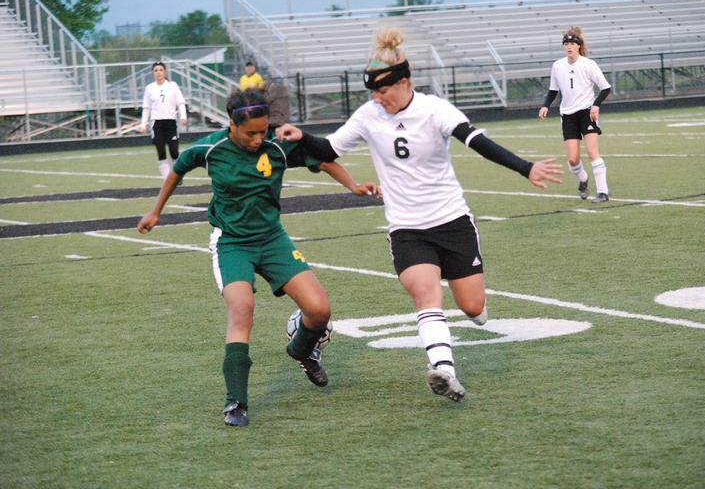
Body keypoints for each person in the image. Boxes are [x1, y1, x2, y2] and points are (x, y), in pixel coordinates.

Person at [277, 28, 563, 402]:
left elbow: (477, 142)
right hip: (407, 229)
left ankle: (472, 315)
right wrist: (302, 137)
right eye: (372, 93)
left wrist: (526, 168)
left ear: (404, 82)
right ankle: (445, 372)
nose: (377, 99)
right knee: (426, 295)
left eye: (383, 91)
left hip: (453, 221)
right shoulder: (368, 115)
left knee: (473, 307)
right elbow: (329, 149)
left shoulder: (434, 109)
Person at [137, 88, 379, 427]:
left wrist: (352, 186)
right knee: (242, 309)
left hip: (272, 239)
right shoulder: (211, 148)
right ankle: (235, 402)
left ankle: (301, 350)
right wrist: (155, 211)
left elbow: (323, 161)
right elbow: (178, 170)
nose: (257, 139)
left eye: (262, 131)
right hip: (232, 242)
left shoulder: (276, 145)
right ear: (232, 126)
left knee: (319, 310)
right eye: (250, 133)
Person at [538, 26, 612, 202]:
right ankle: (583, 179)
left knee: (593, 152)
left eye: (572, 43)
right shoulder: (557, 66)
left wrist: (596, 105)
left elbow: (605, 88)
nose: (569, 46)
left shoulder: (588, 64)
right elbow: (553, 90)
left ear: (579, 46)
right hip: (568, 115)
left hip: (587, 112)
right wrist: (545, 105)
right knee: (572, 160)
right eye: (566, 44)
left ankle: (603, 192)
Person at [139, 61, 188, 180]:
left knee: (174, 152)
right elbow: (146, 107)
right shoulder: (149, 88)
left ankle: (177, 175)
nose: (158, 73)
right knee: (161, 152)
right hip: (157, 123)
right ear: (153, 73)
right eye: (156, 70)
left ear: (165, 71)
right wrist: (143, 124)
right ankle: (168, 180)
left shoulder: (173, 85)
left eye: (161, 70)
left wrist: (183, 116)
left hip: (170, 122)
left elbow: (180, 102)